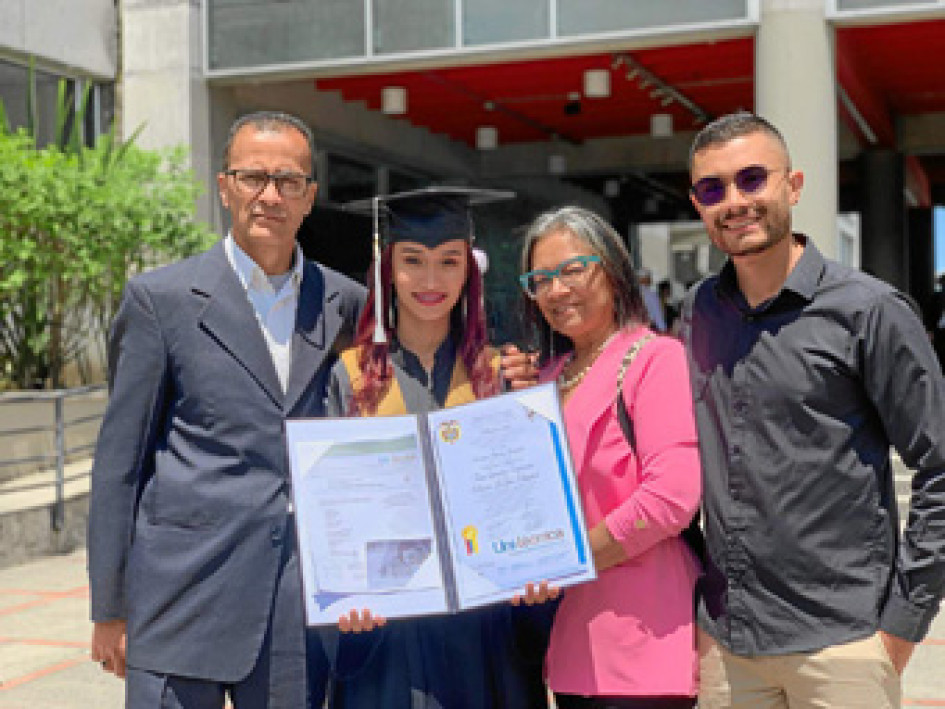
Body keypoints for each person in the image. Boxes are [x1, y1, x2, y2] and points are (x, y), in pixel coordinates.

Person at [87, 111, 366, 708]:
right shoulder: (159, 301)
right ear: (224, 186)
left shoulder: (346, 303)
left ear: (310, 197)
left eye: (288, 181)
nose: (270, 196)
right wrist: (109, 608)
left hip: (293, 602)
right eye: (252, 178)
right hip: (179, 595)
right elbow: (120, 466)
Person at [680, 111, 945, 708]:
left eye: (752, 179)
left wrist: (900, 626)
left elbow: (941, 466)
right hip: (730, 644)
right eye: (712, 188)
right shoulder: (698, 311)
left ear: (793, 186)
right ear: (696, 203)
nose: (735, 201)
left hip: (842, 644)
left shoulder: (870, 311)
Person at [319, 186, 559, 709]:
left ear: (467, 273)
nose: (430, 281)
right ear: (388, 270)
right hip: (388, 645)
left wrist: (538, 570)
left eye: (448, 262)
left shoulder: (504, 375)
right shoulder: (350, 378)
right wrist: (345, 597)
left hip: (484, 639)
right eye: (413, 262)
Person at [519, 206, 702, 709]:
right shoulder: (546, 377)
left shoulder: (654, 360)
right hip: (572, 635)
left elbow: (671, 498)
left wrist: (564, 559)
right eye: (540, 279)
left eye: (573, 270)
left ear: (614, 272)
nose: (556, 290)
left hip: (644, 634)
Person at [635, 266, 667, 332]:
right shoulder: (651, 294)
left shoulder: (632, 293)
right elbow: (657, 314)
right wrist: (663, 329)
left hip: (635, 328)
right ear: (644, 279)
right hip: (649, 328)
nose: (651, 280)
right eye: (649, 277)